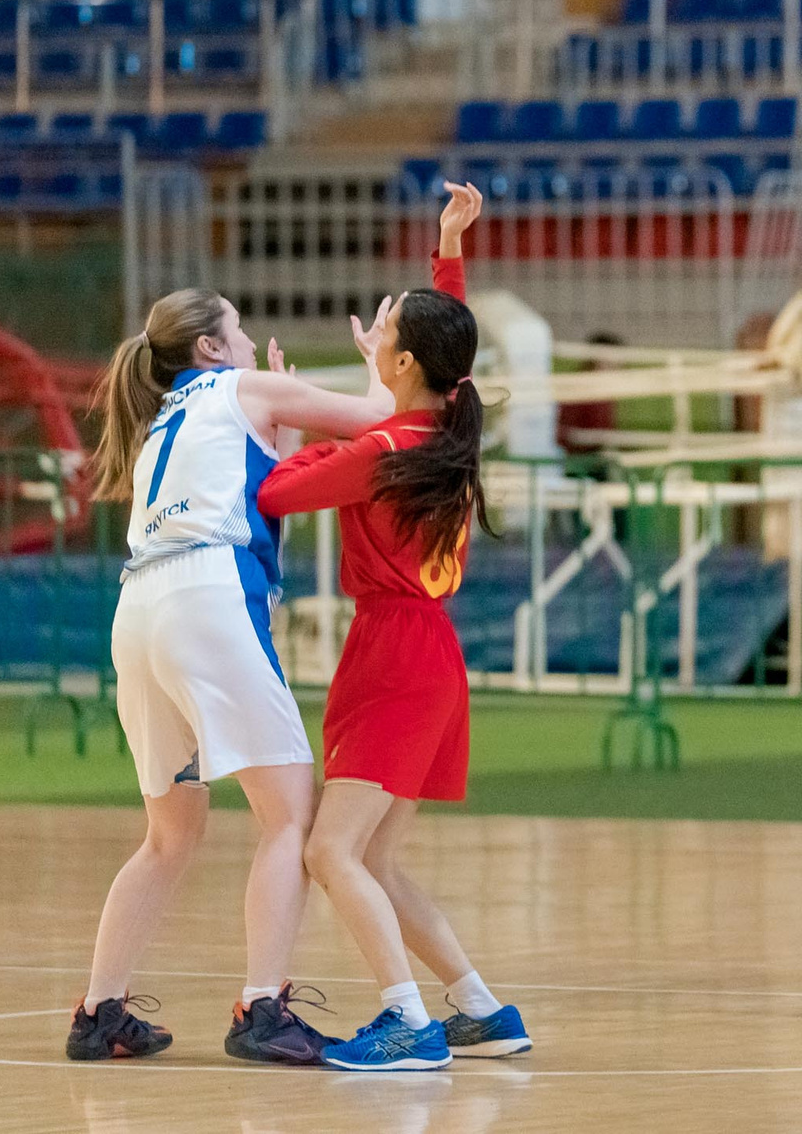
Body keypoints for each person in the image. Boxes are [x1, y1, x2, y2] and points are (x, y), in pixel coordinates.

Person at [67, 285, 402, 1065]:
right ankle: (262, 1004)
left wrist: (276, 431)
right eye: (240, 330)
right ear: (211, 348)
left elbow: (246, 482)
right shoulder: (242, 386)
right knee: (290, 815)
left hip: (139, 609)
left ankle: (99, 1009)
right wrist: (378, 358)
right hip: (207, 597)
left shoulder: (163, 421)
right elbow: (379, 419)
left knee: (169, 834)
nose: (252, 343)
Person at [258, 183, 532, 1073]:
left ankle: (407, 1020)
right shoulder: (447, 421)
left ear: (404, 363)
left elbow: (278, 492)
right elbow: (446, 343)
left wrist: (306, 418)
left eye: (385, 332)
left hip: (392, 653)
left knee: (328, 849)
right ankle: (480, 1008)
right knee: (371, 856)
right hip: (432, 657)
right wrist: (447, 249)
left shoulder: (383, 451)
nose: (372, 332)